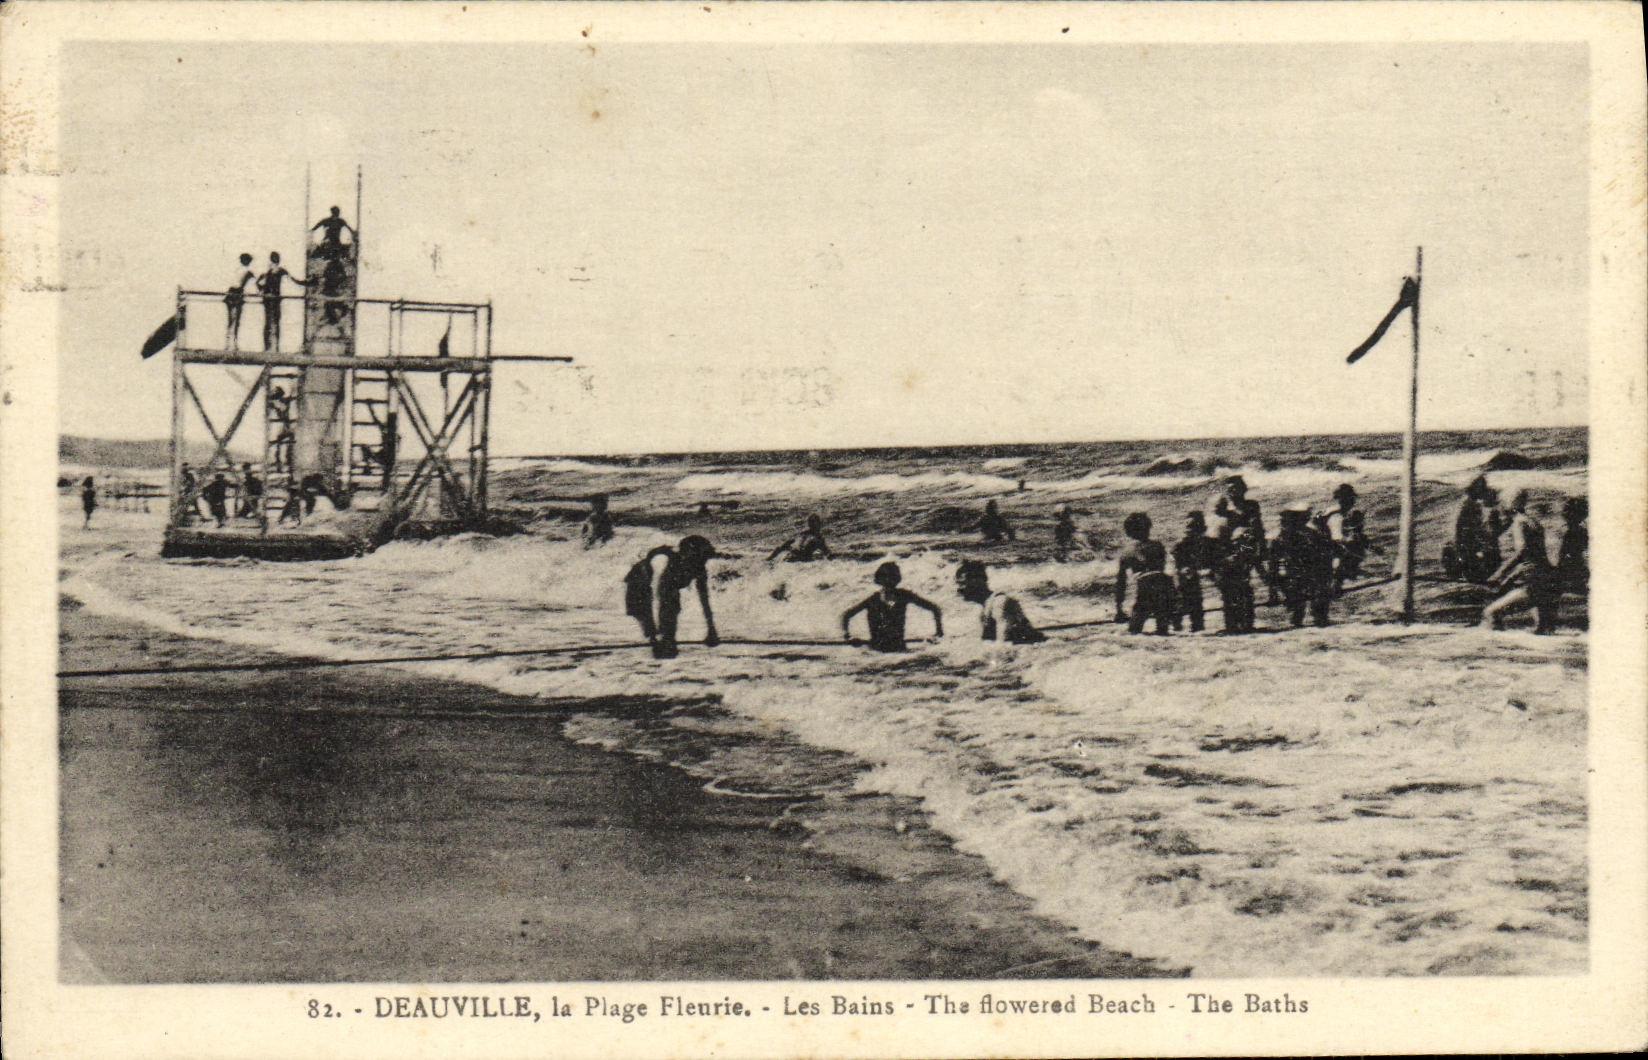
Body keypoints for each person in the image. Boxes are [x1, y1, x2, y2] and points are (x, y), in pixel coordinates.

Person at [624, 535, 722, 659]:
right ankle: (660, 642)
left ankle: (666, 642)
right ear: (687, 554)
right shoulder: (663, 561)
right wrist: (656, 638)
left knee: (672, 606)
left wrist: (711, 629)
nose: (702, 562)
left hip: (663, 590)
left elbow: (704, 598)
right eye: (699, 557)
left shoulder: (698, 566)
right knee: (666, 610)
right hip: (638, 587)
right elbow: (653, 599)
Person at [1481, 490, 1559, 634]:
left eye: (1501, 502)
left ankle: (1498, 653)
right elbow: (1534, 559)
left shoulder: (1518, 523)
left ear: (1509, 503)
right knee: (1544, 630)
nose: (1499, 506)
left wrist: (1498, 575)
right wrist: (1505, 580)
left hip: (1532, 582)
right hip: (1547, 581)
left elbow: (1522, 552)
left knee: (1491, 614)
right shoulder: (1534, 523)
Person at [841, 561, 944, 653]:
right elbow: (846, 615)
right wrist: (848, 637)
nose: (888, 581)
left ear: (897, 579)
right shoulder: (872, 600)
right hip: (876, 652)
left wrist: (939, 632)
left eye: (892, 577)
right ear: (879, 580)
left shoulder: (904, 595)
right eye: (885, 577)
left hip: (899, 650)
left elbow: (935, 608)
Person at [1213, 475, 1274, 605]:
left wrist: (1258, 543)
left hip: (1252, 541)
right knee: (1244, 572)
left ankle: (1272, 593)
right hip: (1237, 545)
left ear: (1243, 489)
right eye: (1229, 490)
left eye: (1235, 489)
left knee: (1259, 568)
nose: (1232, 492)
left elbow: (1256, 526)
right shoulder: (1227, 510)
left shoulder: (1251, 505)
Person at [1271, 508, 1335, 628]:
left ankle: (1317, 620)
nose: (1283, 524)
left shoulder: (1310, 535)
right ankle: (1302, 620)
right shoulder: (1282, 538)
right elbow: (1273, 562)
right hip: (1295, 576)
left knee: (1316, 604)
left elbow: (1324, 555)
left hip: (1310, 574)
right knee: (1299, 605)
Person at [955, 559, 1045, 644]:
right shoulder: (984, 610)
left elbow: (1003, 645)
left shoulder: (1000, 604)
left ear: (979, 581)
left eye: (962, 583)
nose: (958, 589)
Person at [1114, 512, 1175, 635]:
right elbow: (1161, 568)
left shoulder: (1127, 552)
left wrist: (1119, 609)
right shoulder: (1158, 546)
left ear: (1128, 531)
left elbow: (1121, 583)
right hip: (1164, 585)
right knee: (1163, 630)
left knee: (1134, 631)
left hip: (1145, 587)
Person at [1213, 488, 1262, 634]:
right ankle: (1239, 625)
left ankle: (1238, 625)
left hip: (1232, 557)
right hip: (1230, 558)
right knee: (1237, 592)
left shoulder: (1228, 519)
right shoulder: (1227, 519)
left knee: (1235, 593)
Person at [1448, 475, 1502, 583]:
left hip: (1468, 549)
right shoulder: (1466, 506)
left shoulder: (1472, 505)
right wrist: (1461, 556)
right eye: (1482, 486)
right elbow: (1457, 533)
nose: (1485, 489)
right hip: (1463, 551)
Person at [1320, 483, 1370, 594]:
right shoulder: (1336, 515)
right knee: (1348, 550)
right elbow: (1337, 538)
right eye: (1350, 499)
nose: (1353, 502)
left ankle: (1343, 576)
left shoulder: (1337, 512)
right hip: (1318, 545)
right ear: (1344, 500)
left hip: (1320, 542)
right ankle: (1337, 583)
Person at [1172, 510, 1215, 633]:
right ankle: (1178, 627)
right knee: (1181, 603)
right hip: (1182, 579)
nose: (1189, 530)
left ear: (1203, 528)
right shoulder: (1181, 544)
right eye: (1188, 527)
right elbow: (1177, 563)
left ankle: (1195, 627)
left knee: (1195, 605)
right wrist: (1185, 570)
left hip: (1191, 577)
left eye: (1193, 527)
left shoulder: (1206, 542)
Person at [256, 252, 309, 352]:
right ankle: (273, 346)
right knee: (274, 322)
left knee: (269, 322)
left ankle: (269, 346)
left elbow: (258, 283)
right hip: (273, 299)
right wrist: (306, 282)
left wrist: (261, 289)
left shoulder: (270, 272)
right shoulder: (276, 271)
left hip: (270, 298)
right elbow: (294, 280)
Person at [1556, 496, 1588, 597]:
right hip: (1578, 561)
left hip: (1570, 561)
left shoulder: (1567, 531)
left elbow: (1562, 551)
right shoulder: (1583, 530)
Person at [225, 253, 255, 351]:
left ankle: (229, 343)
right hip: (237, 293)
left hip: (231, 292)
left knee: (231, 320)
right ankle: (234, 343)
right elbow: (243, 284)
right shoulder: (248, 272)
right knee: (236, 320)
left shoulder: (238, 270)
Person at [268, 386, 295, 473]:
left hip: (284, 425)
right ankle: (281, 466)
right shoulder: (280, 402)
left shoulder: (279, 402)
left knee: (282, 448)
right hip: (285, 425)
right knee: (282, 447)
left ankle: (282, 466)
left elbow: (283, 407)